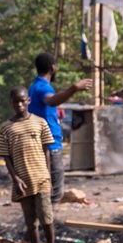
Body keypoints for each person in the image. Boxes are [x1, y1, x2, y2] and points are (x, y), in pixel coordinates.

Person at [0, 86, 61, 243]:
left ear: (29, 101)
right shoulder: (7, 128)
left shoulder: (40, 123)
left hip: (41, 178)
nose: (20, 104)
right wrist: (15, 178)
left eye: (23, 101)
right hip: (22, 182)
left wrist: (47, 174)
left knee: (47, 217)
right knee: (31, 222)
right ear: (11, 103)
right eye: (16, 101)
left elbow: (47, 150)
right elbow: (5, 156)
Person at [29, 53, 92, 205]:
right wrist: (74, 88)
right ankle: (49, 224)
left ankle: (44, 222)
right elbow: (51, 100)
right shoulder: (42, 87)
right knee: (53, 192)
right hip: (49, 146)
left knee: (44, 190)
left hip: (42, 142)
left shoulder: (34, 86)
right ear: (53, 68)